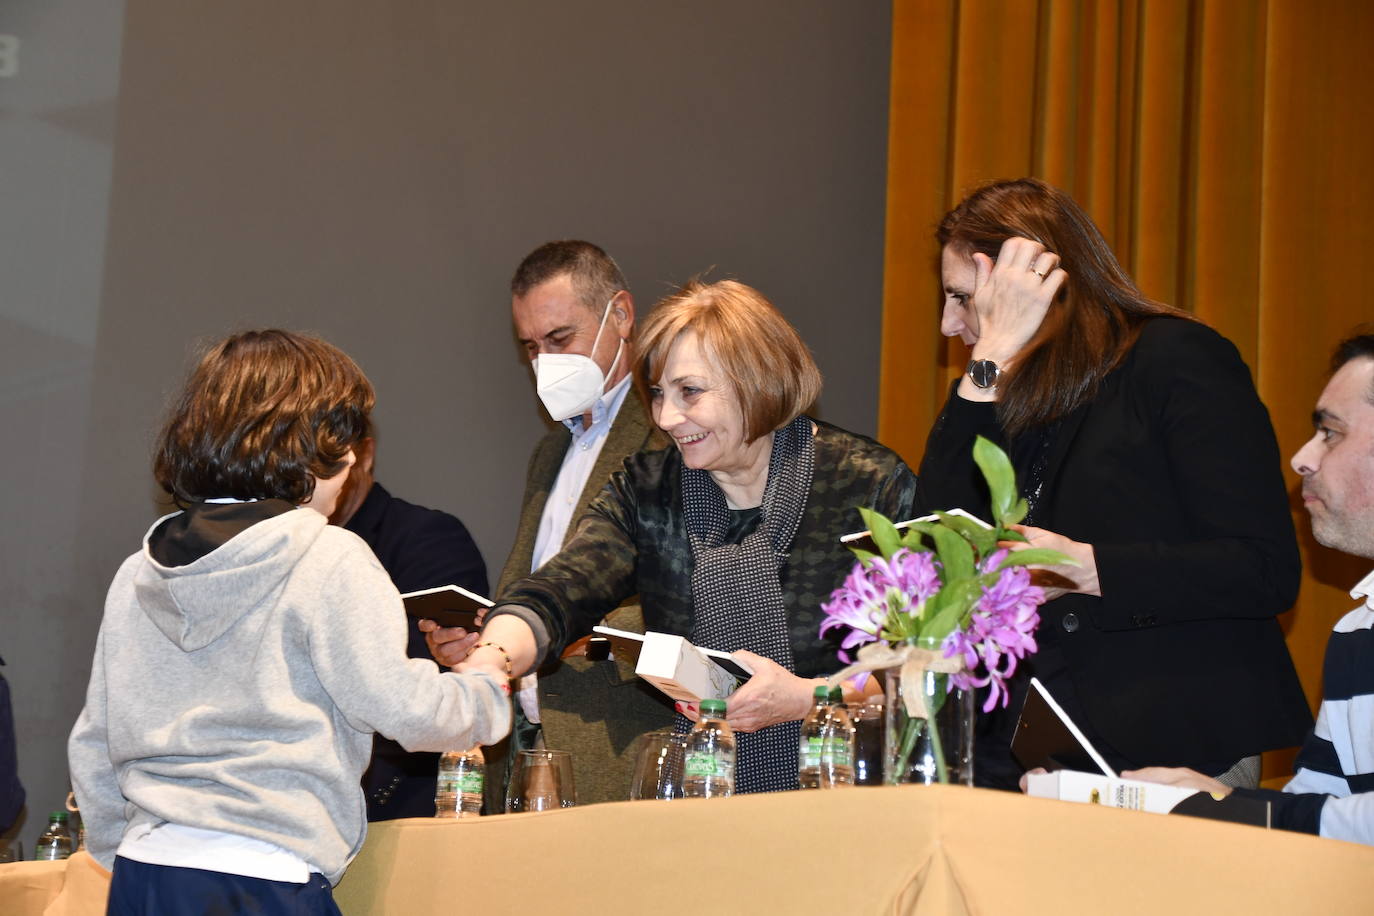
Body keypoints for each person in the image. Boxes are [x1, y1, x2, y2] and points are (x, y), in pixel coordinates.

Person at [67, 330, 510, 913]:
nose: (352, 458)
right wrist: (485, 682)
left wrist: (119, 853)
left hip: (145, 870)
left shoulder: (137, 572)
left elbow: (95, 743)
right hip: (263, 877)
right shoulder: (328, 556)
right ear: (307, 448)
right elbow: (406, 710)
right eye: (343, 437)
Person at [429, 279, 917, 793]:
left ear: (759, 381)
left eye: (690, 392)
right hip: (703, 795)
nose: (666, 417)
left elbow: (925, 664)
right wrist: (492, 659)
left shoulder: (866, 484)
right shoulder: (648, 489)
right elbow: (559, 590)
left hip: (847, 801)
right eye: (659, 393)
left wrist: (808, 698)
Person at [916, 178, 1311, 790]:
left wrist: (1089, 568)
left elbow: (1262, 569)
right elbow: (931, 548)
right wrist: (987, 357)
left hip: (1172, 745)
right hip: (1020, 750)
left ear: (1039, 288)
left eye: (963, 299)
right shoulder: (998, 391)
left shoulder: (1177, 360)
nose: (949, 324)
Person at [1128, 332, 1374, 844]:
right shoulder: (1357, 631)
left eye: (1330, 433)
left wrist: (1234, 808)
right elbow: (1316, 816)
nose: (1302, 459)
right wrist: (1202, 800)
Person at [454, 240, 672, 810]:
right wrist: (485, 634)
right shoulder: (550, 451)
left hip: (619, 745)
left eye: (559, 339)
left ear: (620, 316)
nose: (543, 362)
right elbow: (536, 583)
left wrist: (576, 633)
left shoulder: (673, 436)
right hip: (528, 748)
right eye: (530, 347)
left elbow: (701, 590)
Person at [327, 436, 490, 820]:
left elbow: (422, 686)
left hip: (395, 802)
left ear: (364, 454)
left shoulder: (426, 536)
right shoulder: (292, 547)